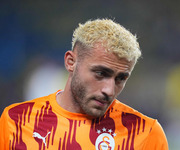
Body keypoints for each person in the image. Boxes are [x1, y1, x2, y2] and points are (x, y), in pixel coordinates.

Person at [0, 18, 168, 150]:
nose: (109, 90)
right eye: (101, 74)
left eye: (121, 79)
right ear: (71, 62)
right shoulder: (16, 121)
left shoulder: (145, 133)